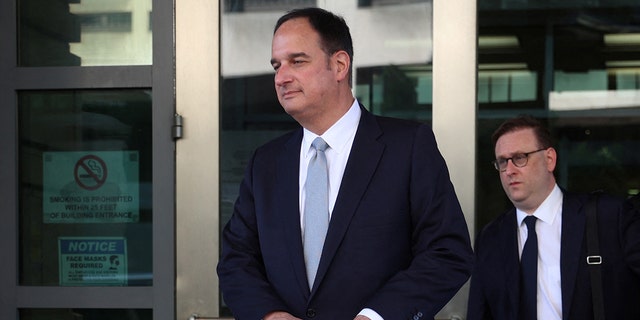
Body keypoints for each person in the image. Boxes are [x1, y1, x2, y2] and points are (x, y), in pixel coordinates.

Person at [217, 7, 474, 320]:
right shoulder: (266, 163)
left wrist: (376, 316)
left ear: (339, 65)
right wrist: (269, 315)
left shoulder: (407, 147)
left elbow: (447, 252)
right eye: (276, 65)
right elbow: (236, 258)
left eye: (297, 61)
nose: (282, 77)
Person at [467, 115, 640, 320]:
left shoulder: (609, 217)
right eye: (502, 162)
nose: (509, 171)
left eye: (520, 158)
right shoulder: (490, 239)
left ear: (549, 159)